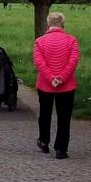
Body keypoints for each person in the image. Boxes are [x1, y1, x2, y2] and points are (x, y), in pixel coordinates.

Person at [32, 11, 79, 159]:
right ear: (62, 24)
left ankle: (44, 141)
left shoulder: (40, 41)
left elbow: (39, 62)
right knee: (64, 117)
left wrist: (51, 78)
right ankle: (61, 148)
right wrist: (62, 78)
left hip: (45, 85)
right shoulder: (72, 41)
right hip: (67, 86)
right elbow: (73, 61)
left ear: (48, 23)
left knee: (45, 114)